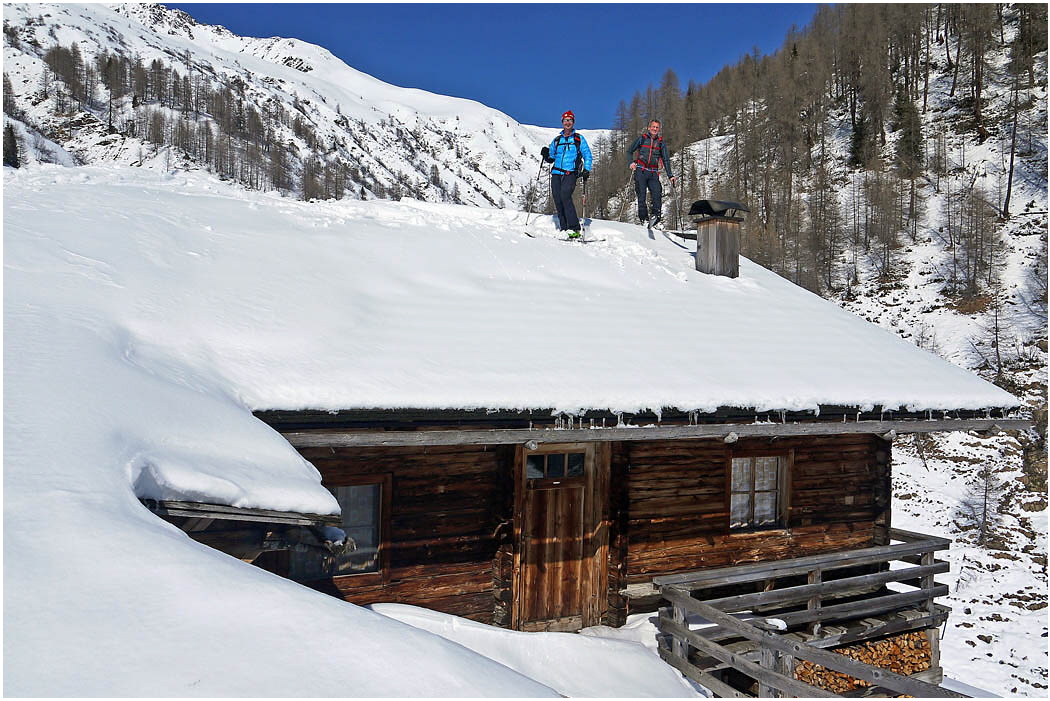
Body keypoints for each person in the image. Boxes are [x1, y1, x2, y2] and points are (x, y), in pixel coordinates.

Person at [540, 110, 592, 239]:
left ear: (573, 122)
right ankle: (564, 228)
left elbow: (587, 155)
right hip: (556, 173)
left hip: (570, 173)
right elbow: (551, 157)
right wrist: (546, 154)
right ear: (562, 122)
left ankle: (574, 228)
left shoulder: (578, 139)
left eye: (570, 120)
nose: (567, 122)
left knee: (565, 196)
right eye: (565, 120)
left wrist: (587, 169)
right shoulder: (557, 140)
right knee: (557, 199)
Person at [628, 119, 676, 227]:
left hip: (653, 172)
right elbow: (629, 151)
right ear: (649, 128)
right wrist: (631, 163)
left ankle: (656, 217)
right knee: (641, 195)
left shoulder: (661, 143)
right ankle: (644, 219)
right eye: (653, 127)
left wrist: (670, 175)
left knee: (657, 192)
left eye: (657, 127)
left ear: (659, 129)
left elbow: (666, 160)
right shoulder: (642, 139)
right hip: (641, 170)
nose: (655, 129)